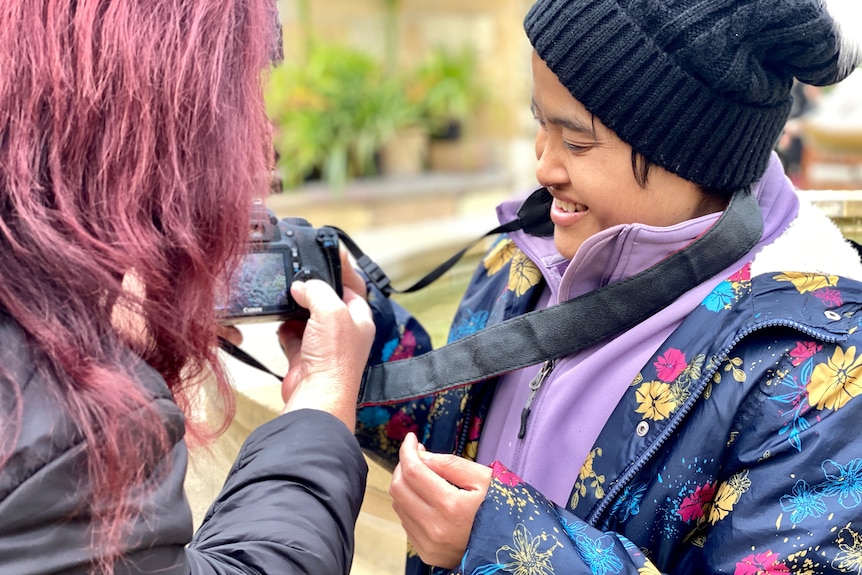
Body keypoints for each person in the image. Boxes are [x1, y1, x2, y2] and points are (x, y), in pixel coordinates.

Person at [350, 0, 862, 573]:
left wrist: (510, 548)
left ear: (692, 152)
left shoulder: (817, 370)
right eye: (540, 124)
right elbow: (456, 429)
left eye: (577, 141)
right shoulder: (530, 251)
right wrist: (363, 337)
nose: (544, 167)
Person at [0, 1, 374, 574]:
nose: (263, 146)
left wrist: (98, 319)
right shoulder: (69, 428)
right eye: (242, 99)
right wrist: (321, 409)